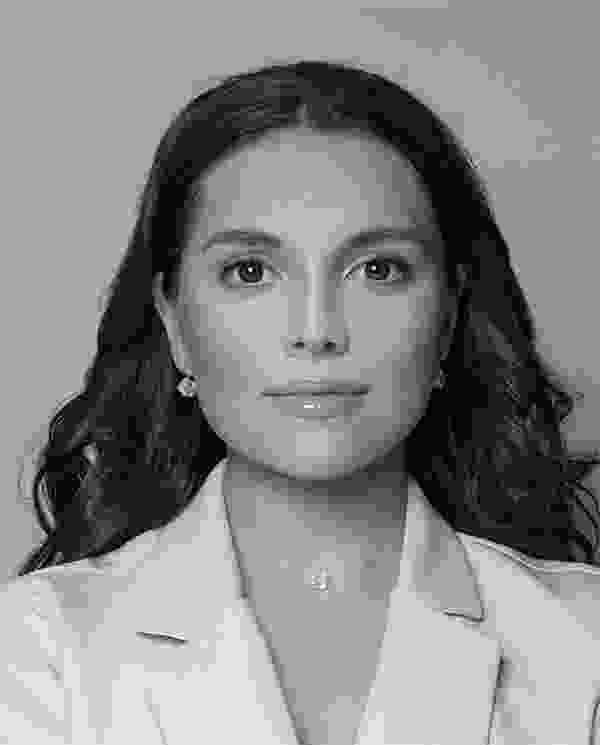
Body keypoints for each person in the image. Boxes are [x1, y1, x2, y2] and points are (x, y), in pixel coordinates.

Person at [2, 58, 600, 744]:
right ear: (173, 322)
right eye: (250, 271)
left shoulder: (586, 643)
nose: (317, 331)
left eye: (379, 269)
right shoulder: (31, 647)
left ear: (449, 314)